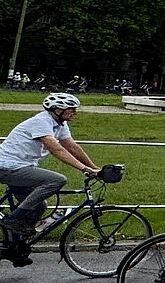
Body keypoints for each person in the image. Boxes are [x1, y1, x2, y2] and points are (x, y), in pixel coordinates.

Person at [0, 94, 99, 241]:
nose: (75, 113)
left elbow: (71, 146)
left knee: (40, 206)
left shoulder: (60, 124)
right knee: (57, 180)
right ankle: (13, 220)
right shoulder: (41, 121)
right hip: (7, 167)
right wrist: (84, 169)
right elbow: (56, 149)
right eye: (71, 109)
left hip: (22, 166)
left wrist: (95, 168)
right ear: (58, 110)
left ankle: (17, 245)